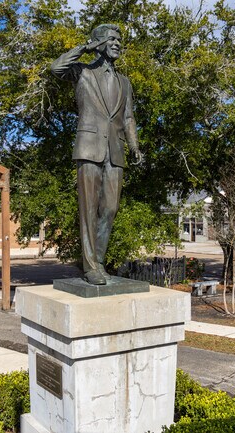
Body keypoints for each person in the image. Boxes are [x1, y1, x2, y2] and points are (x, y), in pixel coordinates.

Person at [51, 24, 143, 285]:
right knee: (88, 209)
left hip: (115, 151)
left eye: (119, 40)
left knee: (110, 209)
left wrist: (134, 146)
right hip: (89, 148)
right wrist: (84, 48)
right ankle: (91, 266)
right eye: (112, 39)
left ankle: (99, 262)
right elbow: (55, 68)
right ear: (99, 43)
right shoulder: (82, 72)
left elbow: (128, 117)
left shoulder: (125, 82)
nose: (117, 44)